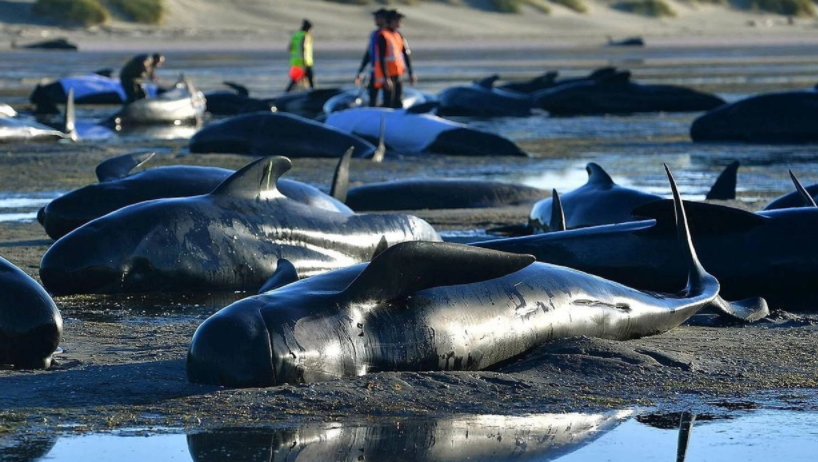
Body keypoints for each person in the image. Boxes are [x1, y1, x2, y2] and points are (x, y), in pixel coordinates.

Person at [374, 10, 416, 108]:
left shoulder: (398, 35)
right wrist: (386, 78)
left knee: (397, 100)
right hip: (388, 75)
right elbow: (381, 58)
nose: (400, 23)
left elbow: (405, 55)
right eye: (397, 20)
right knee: (388, 101)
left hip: (398, 74)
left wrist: (411, 73)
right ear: (391, 21)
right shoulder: (383, 35)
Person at [354, 8, 389, 107]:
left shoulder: (388, 35)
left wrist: (386, 77)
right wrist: (360, 71)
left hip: (388, 73)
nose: (375, 20)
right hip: (376, 72)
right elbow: (369, 54)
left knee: (388, 99)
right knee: (372, 97)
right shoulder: (375, 34)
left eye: (378, 17)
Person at [286, 19, 314, 92]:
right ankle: (313, 95)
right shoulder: (305, 36)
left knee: (294, 81)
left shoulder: (295, 35)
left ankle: (285, 93)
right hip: (305, 62)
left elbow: (290, 48)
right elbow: (303, 48)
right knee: (310, 79)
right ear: (308, 28)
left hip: (295, 62)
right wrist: (304, 61)